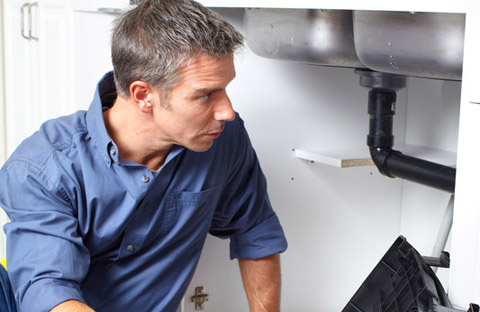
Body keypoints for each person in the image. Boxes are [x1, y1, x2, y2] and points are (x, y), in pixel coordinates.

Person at [0, 0, 288, 311]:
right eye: (205, 94)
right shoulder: (41, 167)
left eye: (225, 89)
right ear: (143, 95)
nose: (227, 111)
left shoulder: (223, 138)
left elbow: (255, 231)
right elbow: (49, 289)